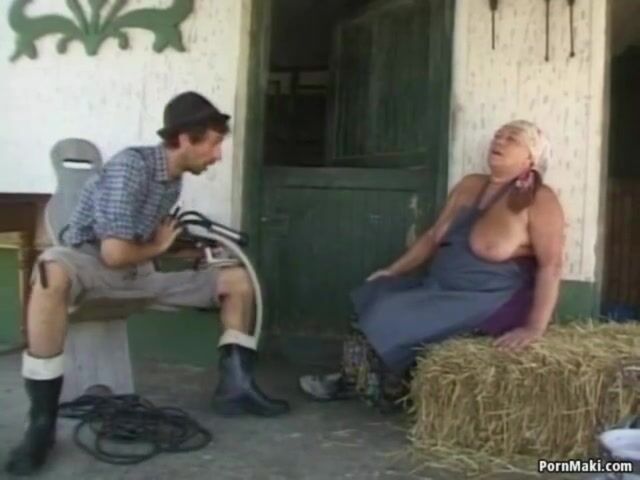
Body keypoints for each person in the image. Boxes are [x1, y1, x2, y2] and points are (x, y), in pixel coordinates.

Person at [5, 91, 290, 476]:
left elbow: (142, 246)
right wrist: (158, 246)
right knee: (49, 271)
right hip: (91, 267)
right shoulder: (130, 167)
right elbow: (113, 254)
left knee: (237, 279)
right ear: (185, 139)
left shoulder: (172, 180)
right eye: (213, 144)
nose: (218, 155)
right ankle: (41, 425)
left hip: (139, 274)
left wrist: (179, 248)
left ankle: (236, 389)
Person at [299, 119, 565, 409]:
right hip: (439, 286)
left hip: (484, 299)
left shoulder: (540, 200)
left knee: (389, 311)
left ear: (531, 158)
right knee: (376, 291)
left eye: (511, 138)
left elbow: (551, 266)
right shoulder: (470, 185)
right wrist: (392, 270)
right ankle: (364, 380)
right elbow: (432, 237)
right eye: (498, 136)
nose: (498, 141)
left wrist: (534, 328)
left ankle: (366, 386)